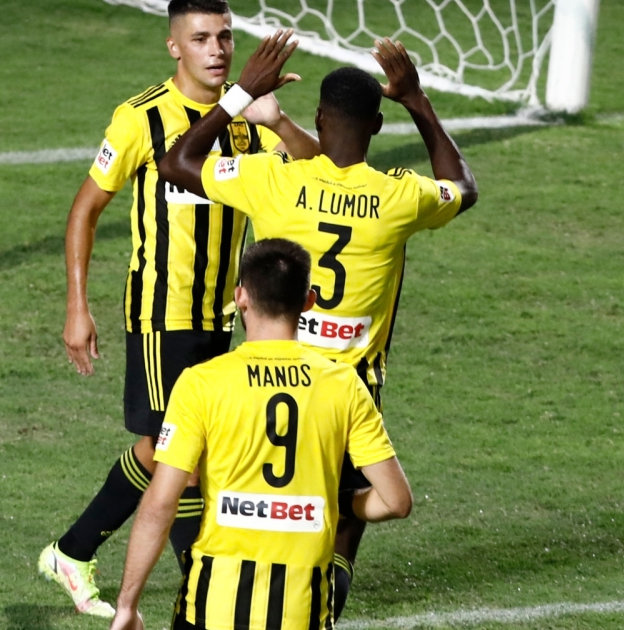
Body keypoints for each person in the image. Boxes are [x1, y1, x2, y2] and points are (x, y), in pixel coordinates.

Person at [159, 31, 477, 618]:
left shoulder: (274, 180)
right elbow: (463, 187)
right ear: (376, 126)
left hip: (263, 378)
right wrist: (416, 99)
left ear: (319, 118)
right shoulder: (398, 196)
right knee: (338, 526)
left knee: (246, 507)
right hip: (348, 392)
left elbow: (176, 162)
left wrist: (241, 94)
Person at [39, 0, 320, 617]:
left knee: (166, 448)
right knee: (184, 458)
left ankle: (72, 551)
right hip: (160, 314)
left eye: (225, 37)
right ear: (174, 47)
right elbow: (85, 210)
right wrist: (77, 305)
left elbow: (316, 171)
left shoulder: (246, 122)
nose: (216, 50)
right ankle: (205, 584)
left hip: (225, 315)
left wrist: (277, 117)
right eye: (200, 38)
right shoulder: (140, 118)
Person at [107, 238, 412, 630]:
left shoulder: (202, 383)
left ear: (241, 297)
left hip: (210, 608)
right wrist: (342, 505)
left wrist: (127, 605)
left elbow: (159, 504)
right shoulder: (344, 385)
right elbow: (396, 501)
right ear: (309, 302)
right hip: (302, 613)